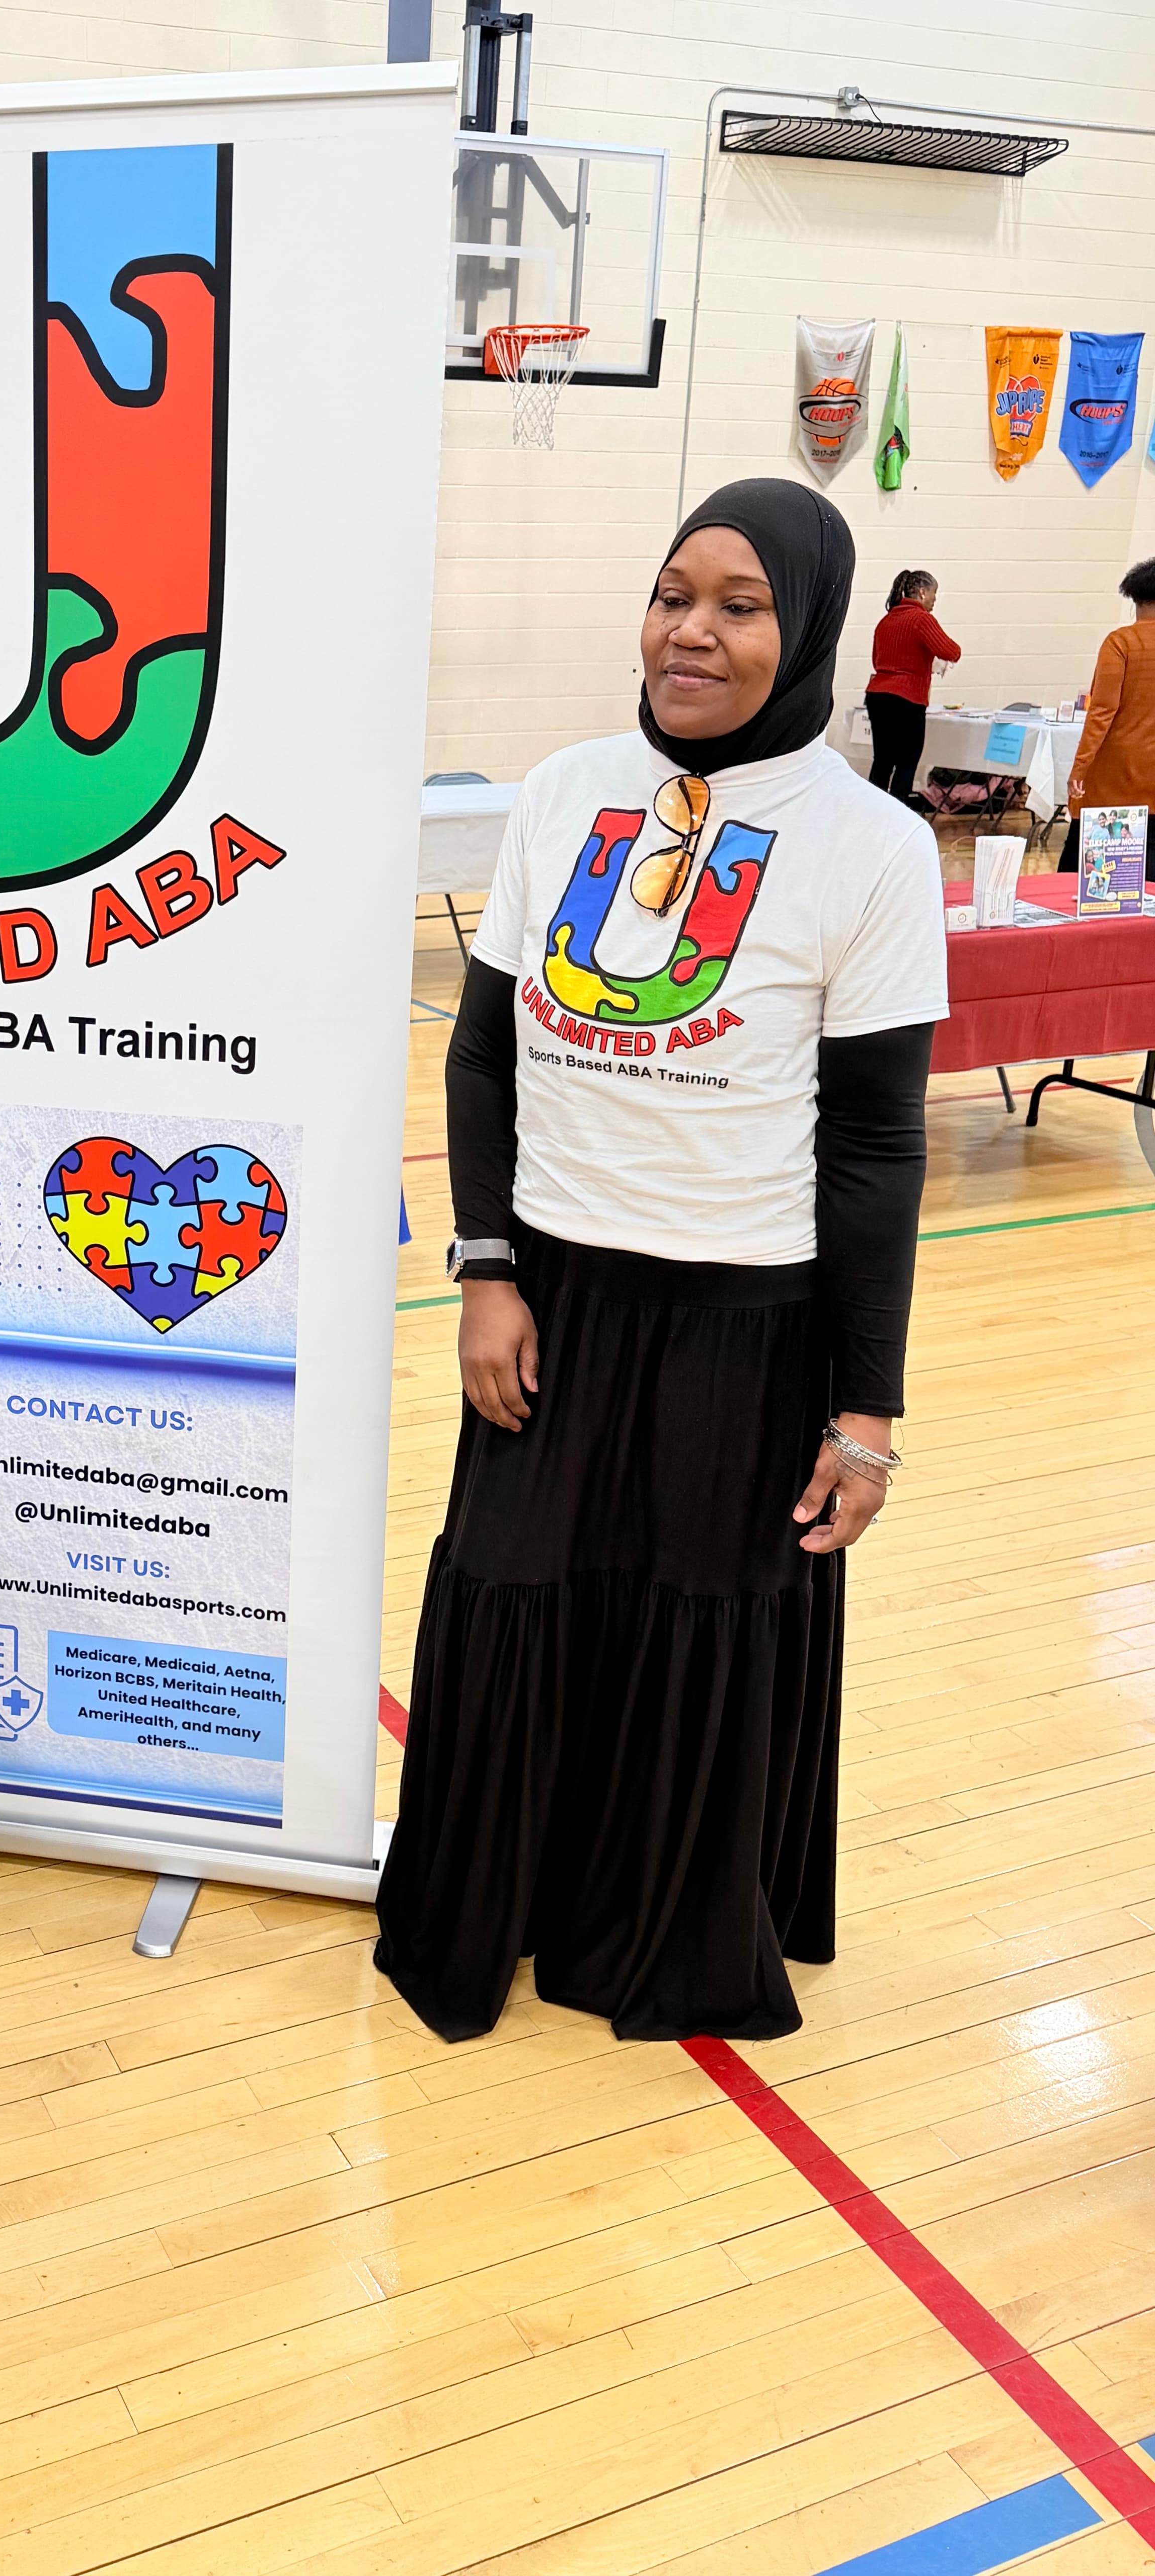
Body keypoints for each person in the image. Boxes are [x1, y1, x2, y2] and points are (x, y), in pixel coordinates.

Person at [374, 479, 949, 2046]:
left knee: (699, 1607)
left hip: (741, 1316)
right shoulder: (565, 789)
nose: (688, 630)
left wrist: (864, 1407)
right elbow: (483, 1056)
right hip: (551, 1292)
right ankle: (494, 1903)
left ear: (809, 628)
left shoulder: (870, 846)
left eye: (739, 605)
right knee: (511, 1585)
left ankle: (654, 1931)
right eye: (669, 591)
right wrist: (486, 1266)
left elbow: (876, 1148)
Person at [1061, 557, 1155, 867]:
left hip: (1117, 775)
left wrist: (1080, 768)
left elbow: (1102, 710)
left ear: (1134, 599)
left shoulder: (1121, 642)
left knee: (1089, 866)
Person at [865, 569, 960, 806]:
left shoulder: (886, 621)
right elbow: (951, 651)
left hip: (878, 695)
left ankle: (870, 811)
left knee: (883, 761)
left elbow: (878, 659)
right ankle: (898, 815)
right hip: (907, 698)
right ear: (922, 592)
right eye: (934, 593)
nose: (935, 600)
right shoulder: (921, 619)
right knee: (907, 761)